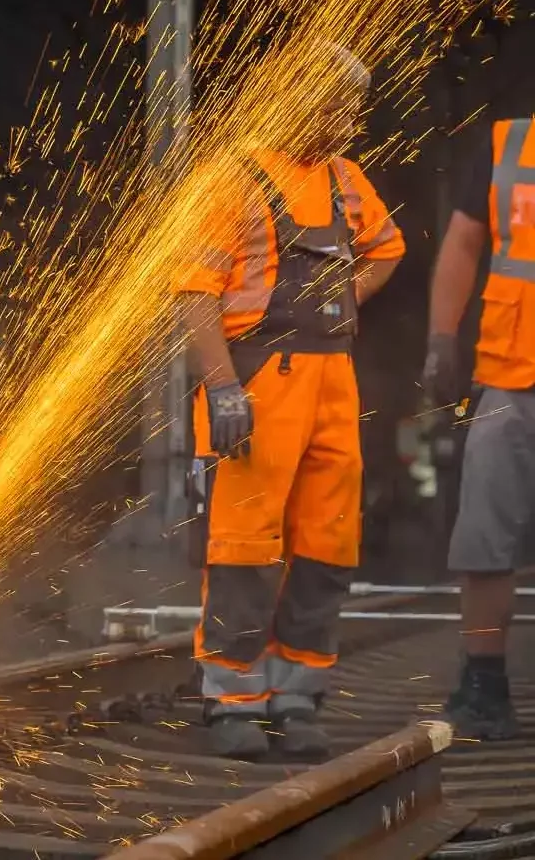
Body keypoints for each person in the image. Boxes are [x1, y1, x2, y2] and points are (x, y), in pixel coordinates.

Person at [176, 44, 405, 760]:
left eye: (353, 107)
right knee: (244, 545)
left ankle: (296, 692)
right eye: (337, 105)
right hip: (256, 383)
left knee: (326, 541)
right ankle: (233, 698)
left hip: (332, 380)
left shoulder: (344, 179)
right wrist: (221, 389)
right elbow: (193, 295)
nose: (349, 120)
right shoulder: (231, 179)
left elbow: (388, 248)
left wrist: (344, 301)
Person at [424, 115, 535, 741]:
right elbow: (465, 243)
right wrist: (443, 338)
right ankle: (484, 686)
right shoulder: (508, 145)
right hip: (510, 373)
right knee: (484, 535)